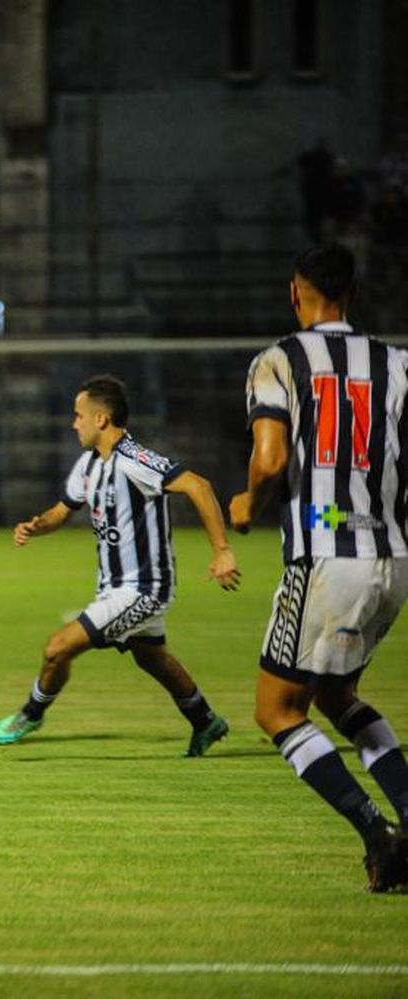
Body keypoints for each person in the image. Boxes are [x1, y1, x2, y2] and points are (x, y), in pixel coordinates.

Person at [229, 243, 408, 892]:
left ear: (294, 292)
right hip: (393, 555)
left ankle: (377, 833)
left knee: (276, 709)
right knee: (337, 695)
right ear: (353, 295)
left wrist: (248, 502)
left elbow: (272, 459)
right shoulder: (398, 363)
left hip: (326, 550)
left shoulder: (279, 359)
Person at [0, 375, 239, 754]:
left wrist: (222, 550)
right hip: (115, 587)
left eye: (78, 415)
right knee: (152, 658)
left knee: (57, 648)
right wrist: (36, 526)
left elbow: (198, 486)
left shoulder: (136, 461)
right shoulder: (89, 465)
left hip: (144, 588)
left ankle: (30, 714)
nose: (74, 423)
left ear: (101, 418)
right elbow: (61, 510)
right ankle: (205, 720)